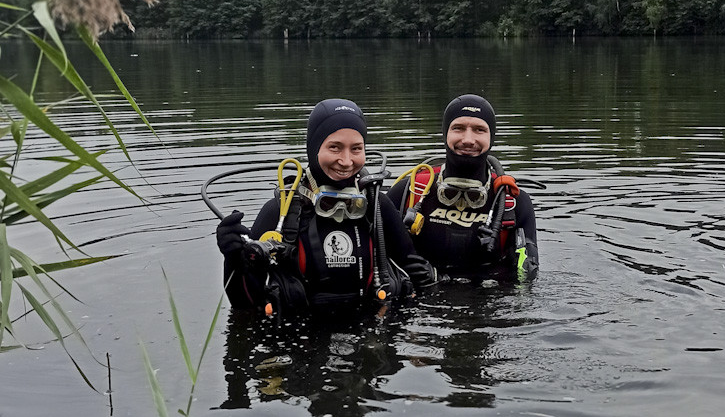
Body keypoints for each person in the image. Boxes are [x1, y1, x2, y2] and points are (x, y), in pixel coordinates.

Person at [215, 98, 436, 320]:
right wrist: (232, 256)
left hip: (370, 329)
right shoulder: (281, 211)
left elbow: (415, 274)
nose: (347, 161)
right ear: (314, 148)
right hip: (299, 339)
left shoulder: (378, 206)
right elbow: (244, 304)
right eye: (335, 147)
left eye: (356, 149)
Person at [387, 94, 539, 279]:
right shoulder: (408, 193)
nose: (468, 139)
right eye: (458, 128)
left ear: (491, 136)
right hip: (420, 297)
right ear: (445, 133)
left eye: (479, 130)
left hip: (489, 302)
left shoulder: (513, 203)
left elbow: (527, 280)